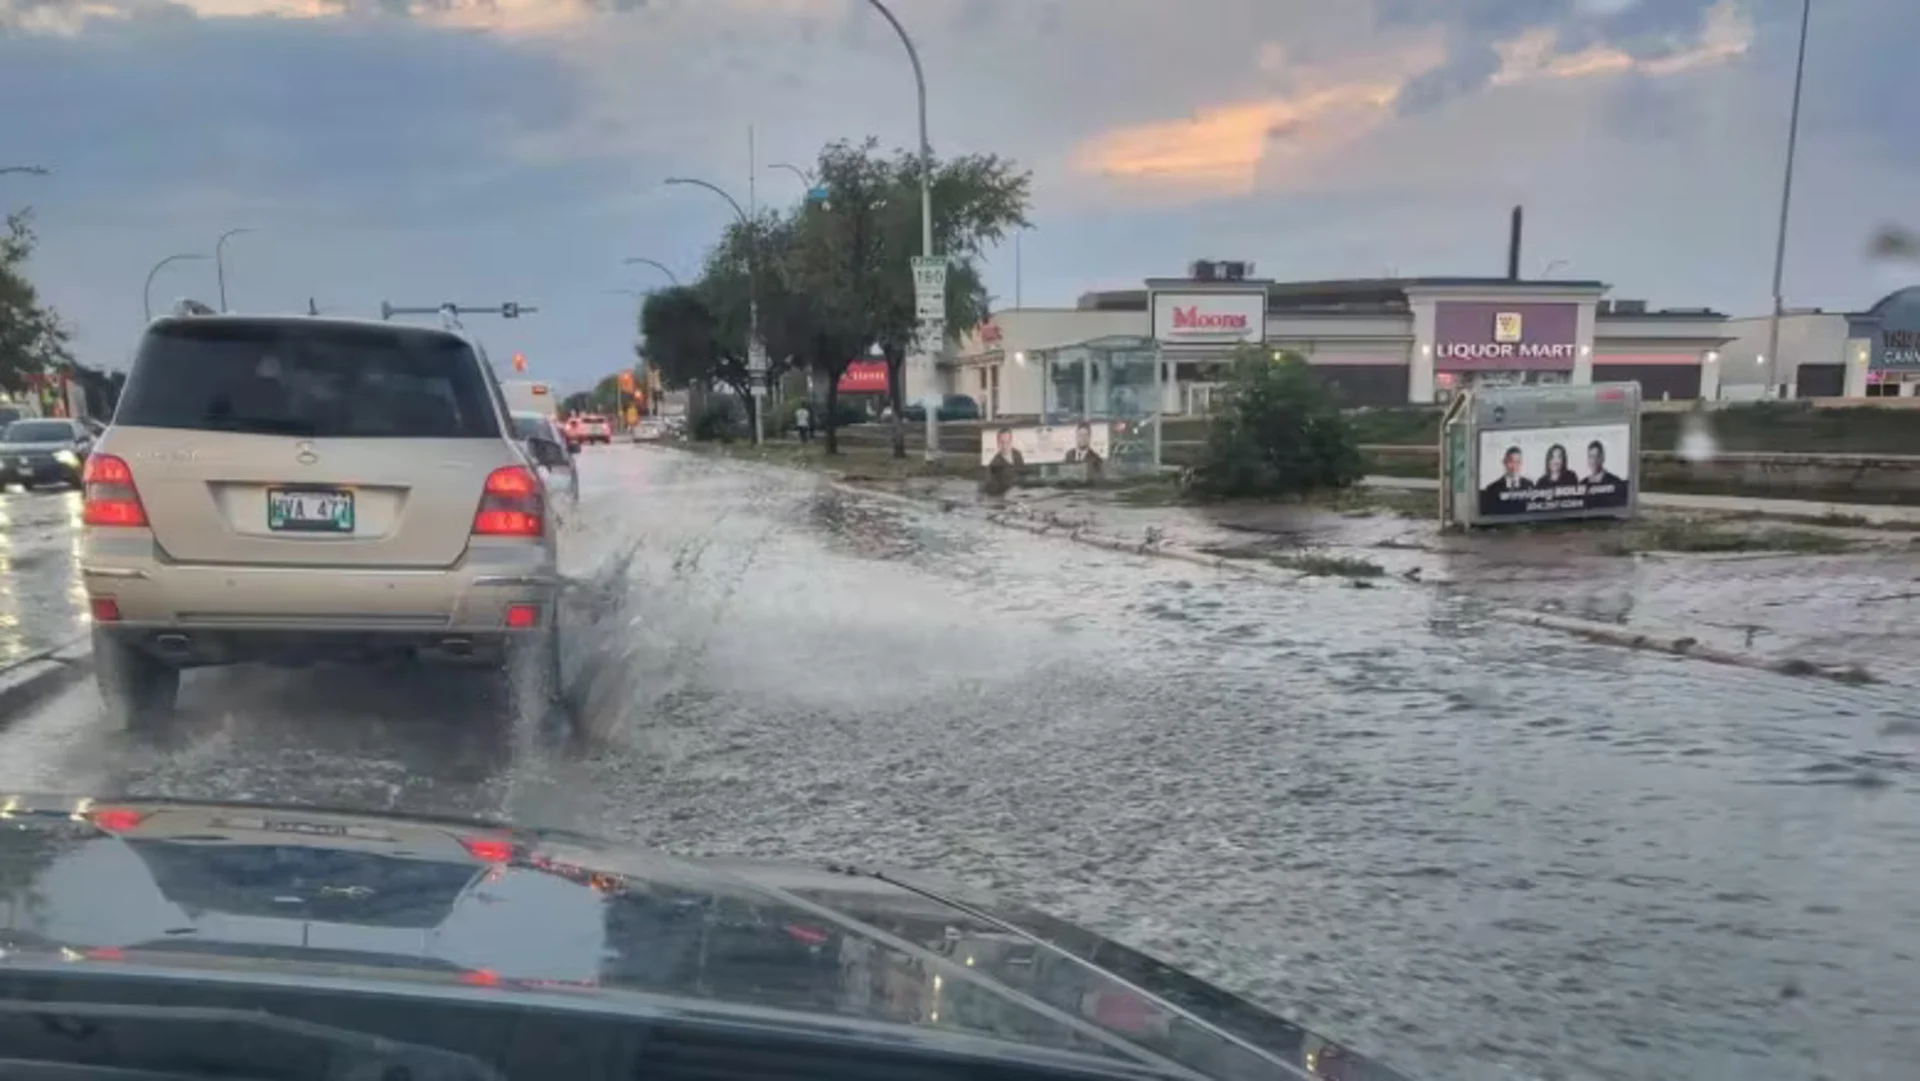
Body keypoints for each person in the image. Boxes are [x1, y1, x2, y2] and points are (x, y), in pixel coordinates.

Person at [1479, 445, 1531, 516]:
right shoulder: (1492, 489)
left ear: (1521, 463)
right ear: (1504, 462)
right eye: (1511, 461)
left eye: (1518, 462)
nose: (1514, 466)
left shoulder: (1529, 485)